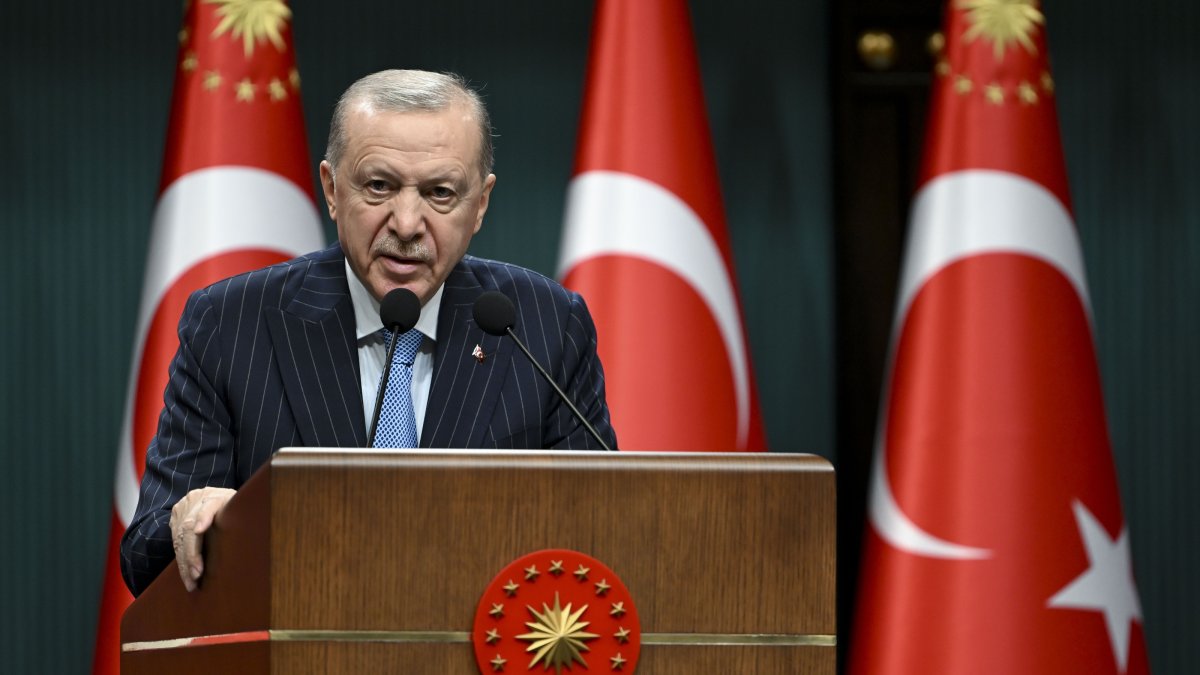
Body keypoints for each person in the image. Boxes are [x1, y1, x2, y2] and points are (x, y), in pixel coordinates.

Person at [120, 69, 617, 597]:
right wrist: (209, 523)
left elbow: (606, 532)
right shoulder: (233, 323)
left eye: (440, 193)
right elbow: (147, 556)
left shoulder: (543, 325)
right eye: (379, 186)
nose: (406, 223)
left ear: (481, 205)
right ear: (332, 189)